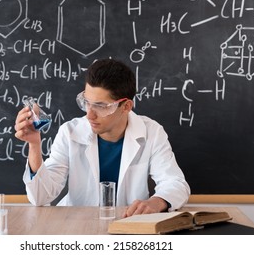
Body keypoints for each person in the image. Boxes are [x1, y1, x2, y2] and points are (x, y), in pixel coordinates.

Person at [14, 59, 190, 217]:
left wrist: (156, 202)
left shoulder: (151, 132)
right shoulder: (70, 132)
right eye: (86, 102)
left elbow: (175, 183)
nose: (89, 115)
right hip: (76, 227)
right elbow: (40, 197)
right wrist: (34, 145)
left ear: (126, 106)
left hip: (127, 226)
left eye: (100, 106)